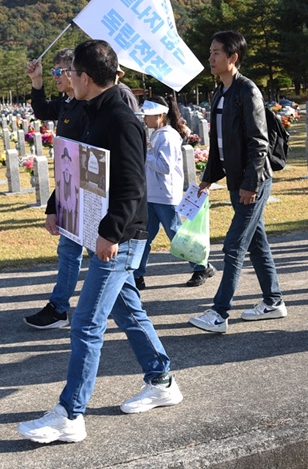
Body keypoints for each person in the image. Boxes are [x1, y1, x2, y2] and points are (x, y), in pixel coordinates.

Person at [17, 41, 179, 445]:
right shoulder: (88, 111)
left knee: (87, 322)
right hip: (100, 230)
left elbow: (131, 186)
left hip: (119, 237)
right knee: (127, 312)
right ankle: (161, 380)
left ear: (85, 77)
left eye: (70, 72)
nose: (67, 78)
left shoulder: (121, 119)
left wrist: (110, 234)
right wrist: (57, 205)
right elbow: (75, 167)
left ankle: (71, 414)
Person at [189, 31, 285, 334]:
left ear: (233, 58)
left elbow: (259, 143)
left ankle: (219, 313)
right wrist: (207, 178)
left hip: (251, 181)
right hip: (235, 180)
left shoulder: (247, 91)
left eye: (217, 52)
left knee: (233, 245)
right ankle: (273, 301)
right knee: (257, 243)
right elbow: (218, 144)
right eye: (210, 51)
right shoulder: (220, 92)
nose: (211, 57)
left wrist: (251, 184)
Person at [24, 49, 88, 331]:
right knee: (70, 250)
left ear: (77, 73)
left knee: (103, 256)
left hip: (88, 190)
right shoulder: (67, 103)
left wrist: (55, 204)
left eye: (60, 71)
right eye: (53, 72)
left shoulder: (89, 107)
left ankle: (62, 307)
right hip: (70, 188)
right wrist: (36, 82)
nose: (56, 77)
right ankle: (59, 307)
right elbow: (40, 111)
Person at [136, 95, 214, 288]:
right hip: (152, 194)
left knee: (177, 234)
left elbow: (165, 166)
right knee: (144, 235)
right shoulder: (158, 133)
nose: (145, 119)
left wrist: (144, 154)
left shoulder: (167, 136)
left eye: (149, 115)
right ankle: (137, 274)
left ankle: (201, 267)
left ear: (161, 115)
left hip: (165, 195)